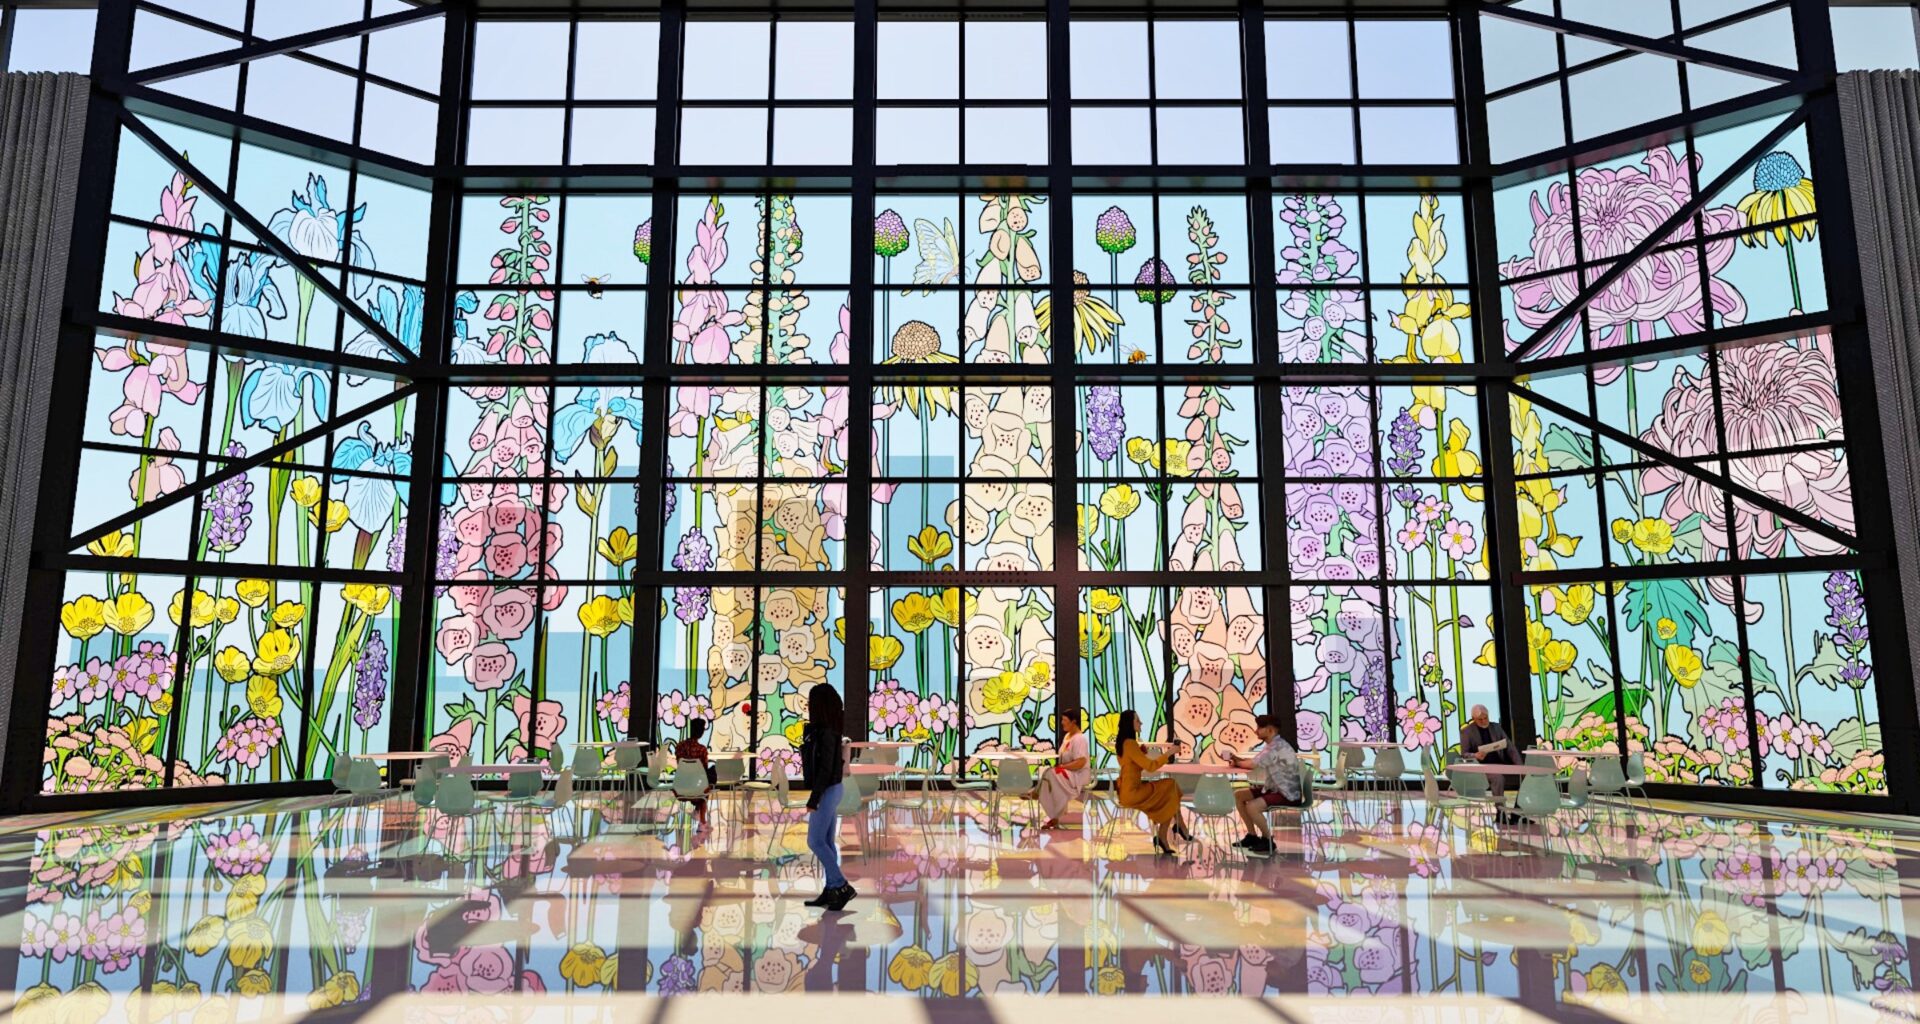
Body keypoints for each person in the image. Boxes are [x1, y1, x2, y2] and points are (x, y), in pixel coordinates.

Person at [800, 685, 856, 910]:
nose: (807, 705)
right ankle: (831, 889)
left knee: (814, 841)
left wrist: (814, 798)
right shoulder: (826, 731)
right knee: (826, 842)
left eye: (811, 701)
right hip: (832, 789)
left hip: (827, 790)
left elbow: (824, 769)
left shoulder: (827, 734)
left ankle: (841, 885)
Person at [1114, 710, 1192, 856]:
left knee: (1171, 789)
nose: (1141, 723)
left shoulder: (1123, 743)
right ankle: (1175, 828)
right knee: (1171, 787)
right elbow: (1150, 767)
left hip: (1125, 791)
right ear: (1129, 724)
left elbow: (1131, 764)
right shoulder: (1130, 743)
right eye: (1137, 721)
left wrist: (1141, 752)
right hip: (1133, 793)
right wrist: (1169, 753)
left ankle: (1173, 830)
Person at [1227, 715, 1301, 856]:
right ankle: (1252, 835)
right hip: (1275, 788)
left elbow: (1253, 765)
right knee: (1239, 795)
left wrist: (1236, 762)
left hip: (1286, 793)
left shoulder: (1276, 748)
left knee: (1252, 806)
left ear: (1270, 730)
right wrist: (1237, 760)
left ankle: (1267, 840)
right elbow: (1255, 761)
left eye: (1259, 728)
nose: (1256, 731)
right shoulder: (1273, 745)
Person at [1037, 709, 1092, 829]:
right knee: (1046, 771)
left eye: (1064, 720)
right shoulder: (1068, 736)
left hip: (1078, 774)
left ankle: (1040, 794)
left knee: (1051, 774)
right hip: (1068, 772)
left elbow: (1081, 762)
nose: (1061, 722)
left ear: (1073, 722)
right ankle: (1054, 814)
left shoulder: (1080, 739)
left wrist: (1062, 767)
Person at [1460, 703, 1521, 799]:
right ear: (1473, 719)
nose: (1484, 721)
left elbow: (1510, 748)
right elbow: (1464, 755)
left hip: (1499, 764)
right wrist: (1475, 755)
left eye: (1486, 718)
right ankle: (1500, 809)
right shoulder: (1467, 732)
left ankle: (1520, 806)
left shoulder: (1496, 727)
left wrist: (1520, 766)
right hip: (1480, 768)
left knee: (1523, 775)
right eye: (1480, 719)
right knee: (1498, 778)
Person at [673, 719, 717, 826]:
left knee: (704, 780)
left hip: (680, 787)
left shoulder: (679, 746)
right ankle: (702, 820)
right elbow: (703, 770)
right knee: (709, 777)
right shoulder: (702, 750)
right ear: (701, 733)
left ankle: (697, 811)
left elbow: (680, 766)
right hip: (698, 789)